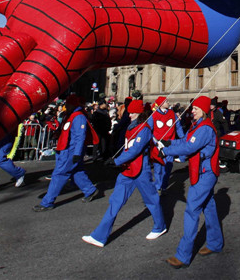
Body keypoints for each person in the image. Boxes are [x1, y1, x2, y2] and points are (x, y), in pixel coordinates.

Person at [82, 100, 166, 247]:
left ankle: (160, 226)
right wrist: (116, 159)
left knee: (151, 200)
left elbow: (135, 150)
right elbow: (127, 148)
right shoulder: (131, 126)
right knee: (115, 201)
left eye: (133, 113)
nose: (130, 115)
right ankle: (99, 236)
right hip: (127, 169)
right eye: (129, 112)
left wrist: (116, 161)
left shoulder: (144, 128)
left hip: (141, 170)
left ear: (139, 113)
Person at [159, 96, 223, 269]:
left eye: (195, 108)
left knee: (191, 211)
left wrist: (166, 151)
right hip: (200, 172)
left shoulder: (205, 129)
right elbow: (184, 141)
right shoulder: (196, 125)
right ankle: (215, 243)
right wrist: (169, 142)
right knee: (209, 208)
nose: (192, 110)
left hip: (205, 174)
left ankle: (183, 256)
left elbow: (189, 147)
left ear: (203, 110)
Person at [34, 95, 100, 211]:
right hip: (66, 149)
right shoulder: (70, 115)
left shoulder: (78, 116)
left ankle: (47, 202)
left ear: (73, 105)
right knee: (76, 171)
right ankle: (90, 190)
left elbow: (80, 136)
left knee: (59, 174)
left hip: (71, 150)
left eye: (68, 105)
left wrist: (77, 153)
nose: (66, 107)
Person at [148, 96, 184, 192]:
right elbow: (149, 129)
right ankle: (158, 186)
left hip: (170, 144)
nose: (168, 103)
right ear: (161, 104)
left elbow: (178, 127)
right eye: (166, 101)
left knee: (168, 166)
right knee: (158, 167)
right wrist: (154, 141)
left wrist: (183, 138)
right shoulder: (154, 115)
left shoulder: (172, 114)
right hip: (158, 145)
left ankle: (164, 185)